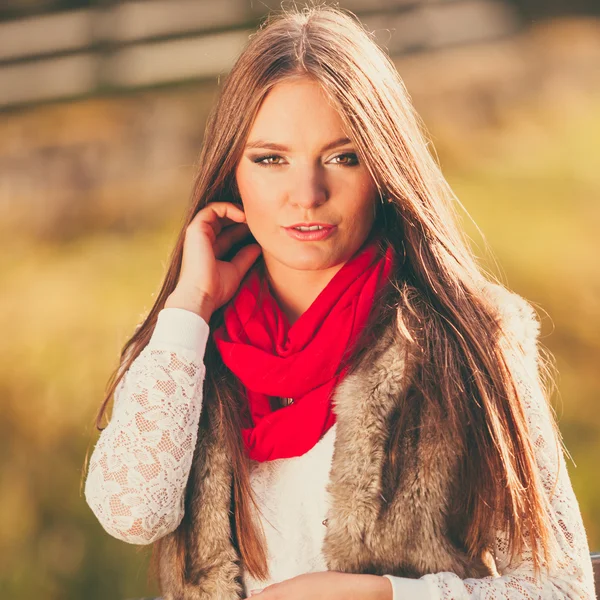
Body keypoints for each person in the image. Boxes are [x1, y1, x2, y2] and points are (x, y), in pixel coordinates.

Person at [83, 5, 596, 600]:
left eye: (342, 157)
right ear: (233, 174)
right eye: (271, 158)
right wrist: (189, 306)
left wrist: (379, 595)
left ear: (382, 168)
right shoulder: (187, 348)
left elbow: (562, 588)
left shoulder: (469, 337)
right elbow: (132, 513)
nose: (307, 194)